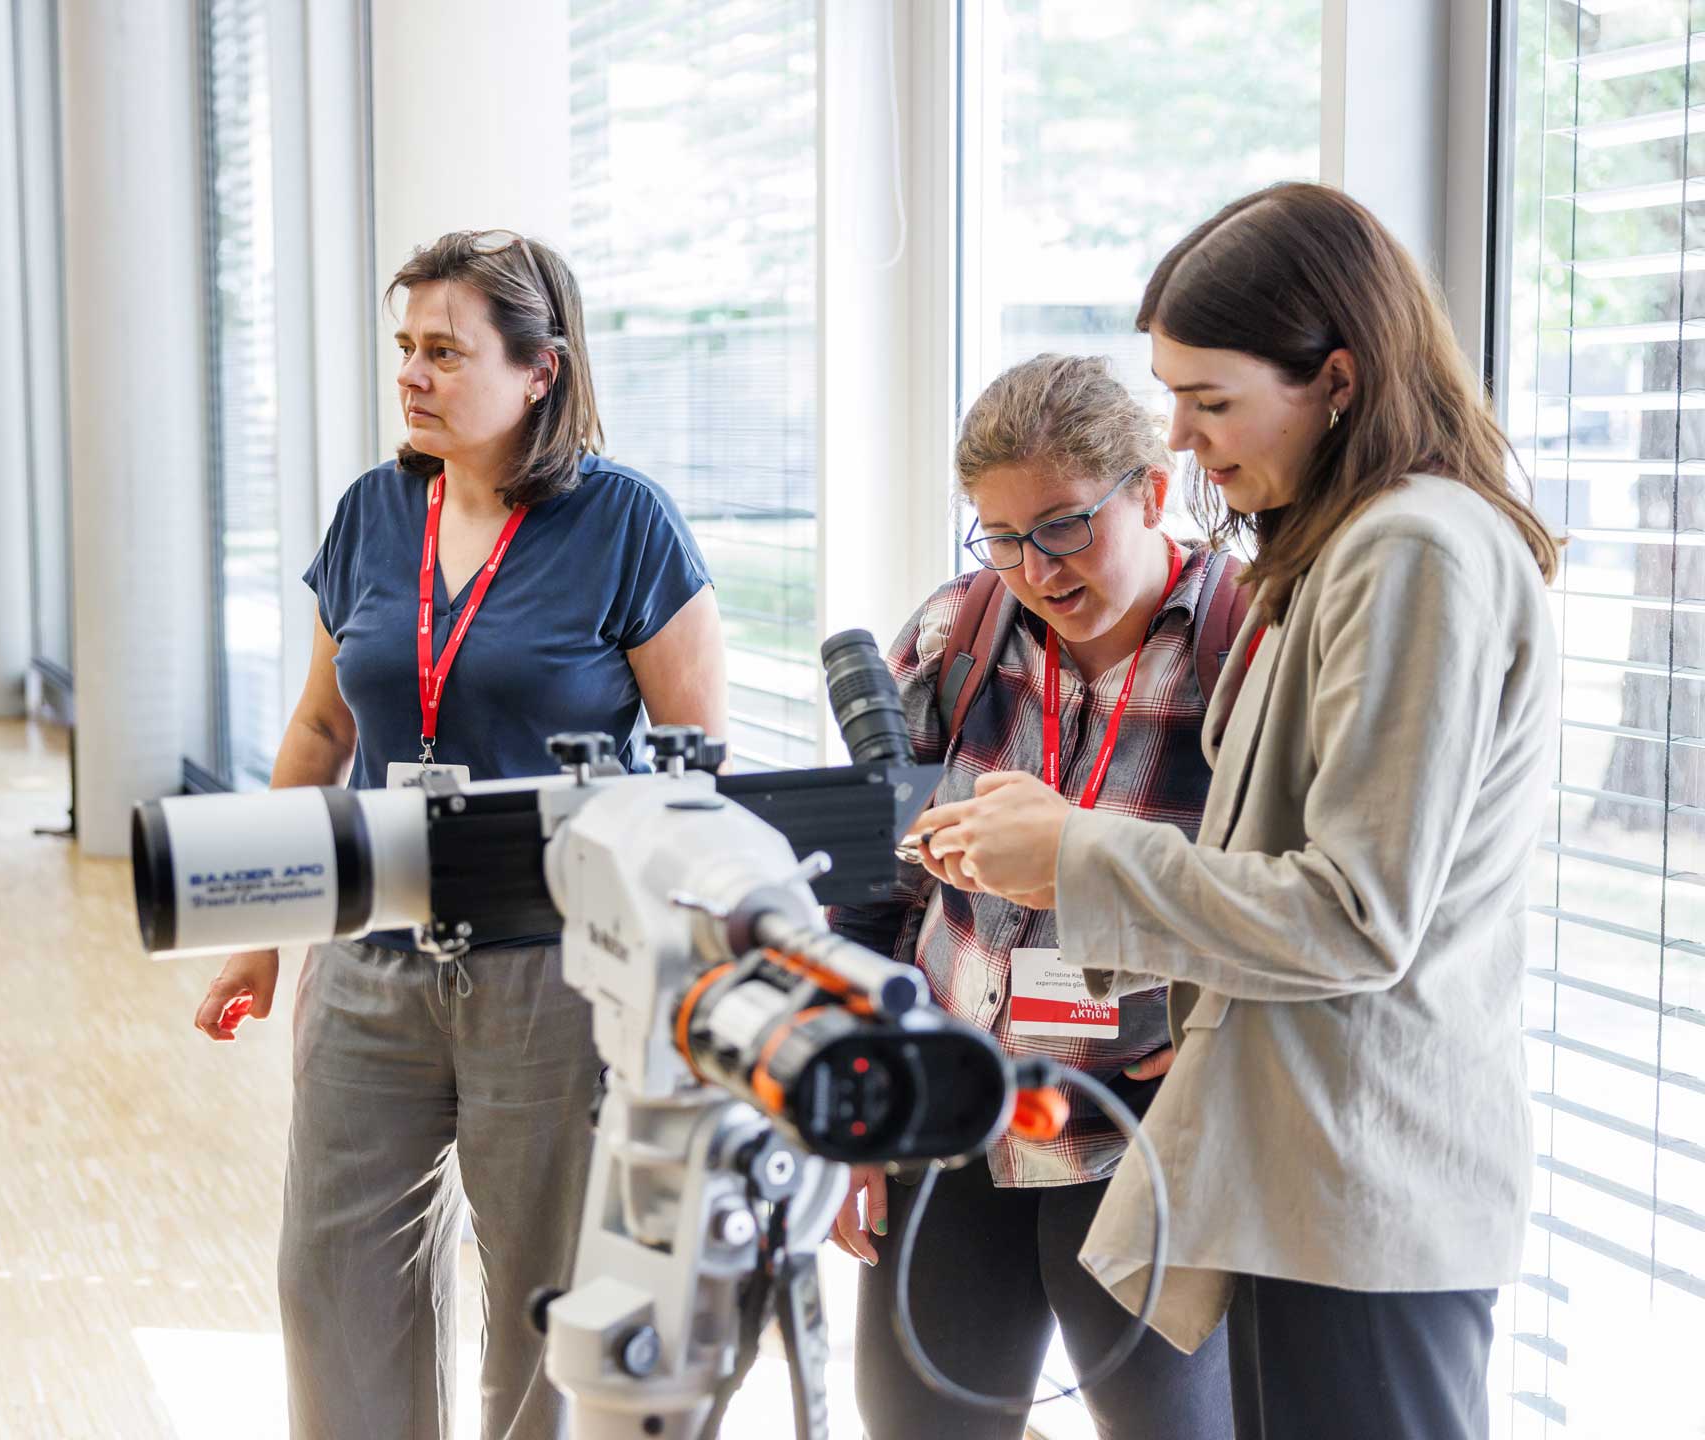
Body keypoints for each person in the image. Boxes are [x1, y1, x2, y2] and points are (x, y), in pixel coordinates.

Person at [917, 182, 1560, 1440]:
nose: (1185, 437)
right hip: (1307, 1181)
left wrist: (1073, 854)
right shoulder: (1346, 547)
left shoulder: (1411, 552)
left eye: (1210, 401)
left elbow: (1357, 913)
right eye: (1173, 396)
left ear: (1336, 377)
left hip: (1360, 1191)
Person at [191, 228, 727, 1440]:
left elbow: (699, 767)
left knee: (546, 1293)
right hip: (372, 946)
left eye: (446, 350)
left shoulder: (626, 524)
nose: (414, 375)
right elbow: (324, 729)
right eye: (406, 349)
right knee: (330, 1279)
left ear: (541, 369)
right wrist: (261, 931)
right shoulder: (374, 513)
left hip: (552, 965)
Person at [826, 354, 1241, 1439]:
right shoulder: (954, 636)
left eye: (1062, 527)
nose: (1035, 569)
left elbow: (1294, 904)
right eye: (1000, 537)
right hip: (956, 1110)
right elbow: (873, 891)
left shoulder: (1243, 656)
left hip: (1141, 1135)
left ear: (1153, 491)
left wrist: (1220, 1038)